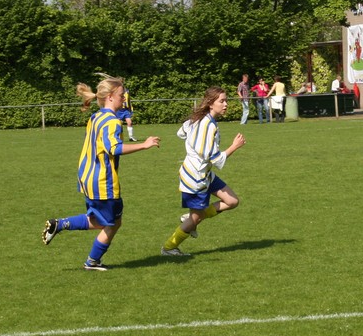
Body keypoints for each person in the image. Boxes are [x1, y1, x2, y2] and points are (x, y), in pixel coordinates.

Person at [42, 77, 160, 271]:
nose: (124, 98)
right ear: (111, 97)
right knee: (111, 223)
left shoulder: (96, 117)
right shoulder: (113, 122)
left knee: (102, 220)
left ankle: (61, 226)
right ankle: (90, 260)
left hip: (87, 177)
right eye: (121, 95)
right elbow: (114, 148)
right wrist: (144, 145)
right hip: (103, 181)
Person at [161, 87, 246, 257]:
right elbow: (215, 158)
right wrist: (234, 146)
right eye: (222, 101)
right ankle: (169, 248)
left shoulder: (200, 119)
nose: (226, 104)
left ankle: (190, 219)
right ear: (210, 104)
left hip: (204, 174)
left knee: (232, 201)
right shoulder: (207, 125)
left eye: (226, 100)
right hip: (195, 178)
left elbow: (180, 133)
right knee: (196, 219)